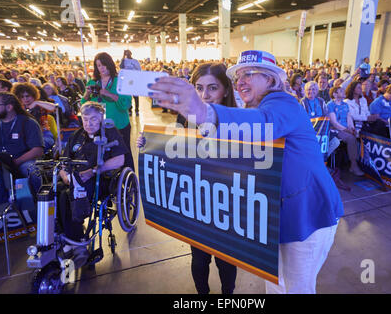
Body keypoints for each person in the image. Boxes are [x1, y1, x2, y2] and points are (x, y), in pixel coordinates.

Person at [147, 50, 343, 294]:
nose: (240, 81)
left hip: (307, 216)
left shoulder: (284, 103)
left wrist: (205, 112)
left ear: (271, 80)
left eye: (248, 74)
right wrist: (152, 145)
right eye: (238, 75)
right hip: (278, 217)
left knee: (295, 289)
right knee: (276, 285)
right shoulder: (253, 108)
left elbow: (263, 125)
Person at [139, 62, 238, 294]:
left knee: (227, 262)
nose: (205, 95)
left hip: (228, 207)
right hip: (198, 206)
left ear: (226, 89)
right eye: (199, 87)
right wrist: (149, 144)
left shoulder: (239, 122)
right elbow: (175, 158)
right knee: (199, 259)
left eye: (212, 88)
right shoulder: (186, 121)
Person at [58, 102, 130, 268]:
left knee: (67, 195)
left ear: (101, 119)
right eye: (85, 119)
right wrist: (64, 174)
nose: (89, 123)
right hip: (74, 178)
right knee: (54, 193)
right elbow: (63, 160)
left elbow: (119, 160)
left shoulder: (110, 133)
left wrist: (92, 171)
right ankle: (66, 238)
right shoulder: (77, 135)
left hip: (99, 179)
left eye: (93, 120)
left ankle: (77, 243)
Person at [81, 52, 133, 168]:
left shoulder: (120, 81)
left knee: (124, 156)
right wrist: (86, 95)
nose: (102, 68)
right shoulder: (93, 82)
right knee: (102, 157)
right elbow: (84, 107)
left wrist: (107, 93)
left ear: (109, 64)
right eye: (98, 65)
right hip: (98, 128)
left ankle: (130, 184)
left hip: (119, 125)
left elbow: (126, 104)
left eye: (104, 64)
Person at [0, 92, 44, 197]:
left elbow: (37, 150)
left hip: (22, 161)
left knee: (32, 171)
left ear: (9, 107)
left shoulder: (27, 122)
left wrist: (16, 162)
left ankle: (37, 204)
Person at [327, 86, 364, 176]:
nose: (344, 92)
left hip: (346, 130)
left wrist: (352, 128)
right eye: (341, 91)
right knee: (351, 138)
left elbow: (349, 118)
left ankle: (360, 163)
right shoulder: (330, 105)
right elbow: (334, 123)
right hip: (335, 130)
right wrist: (347, 130)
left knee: (360, 136)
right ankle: (353, 165)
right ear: (335, 94)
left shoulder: (345, 104)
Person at [11, 82, 56, 152]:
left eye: (27, 96)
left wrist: (36, 102)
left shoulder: (40, 105)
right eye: (22, 97)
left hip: (43, 134)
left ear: (33, 95)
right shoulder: (18, 108)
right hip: (24, 136)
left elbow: (54, 107)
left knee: (36, 146)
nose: (25, 99)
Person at [120, 50, 141, 115]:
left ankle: (137, 110)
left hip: (134, 80)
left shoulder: (135, 61)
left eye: (128, 53)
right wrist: (123, 56)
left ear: (131, 53)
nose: (127, 54)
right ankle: (130, 110)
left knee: (136, 96)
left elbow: (139, 70)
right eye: (126, 53)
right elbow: (121, 67)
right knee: (128, 97)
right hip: (127, 81)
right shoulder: (124, 61)